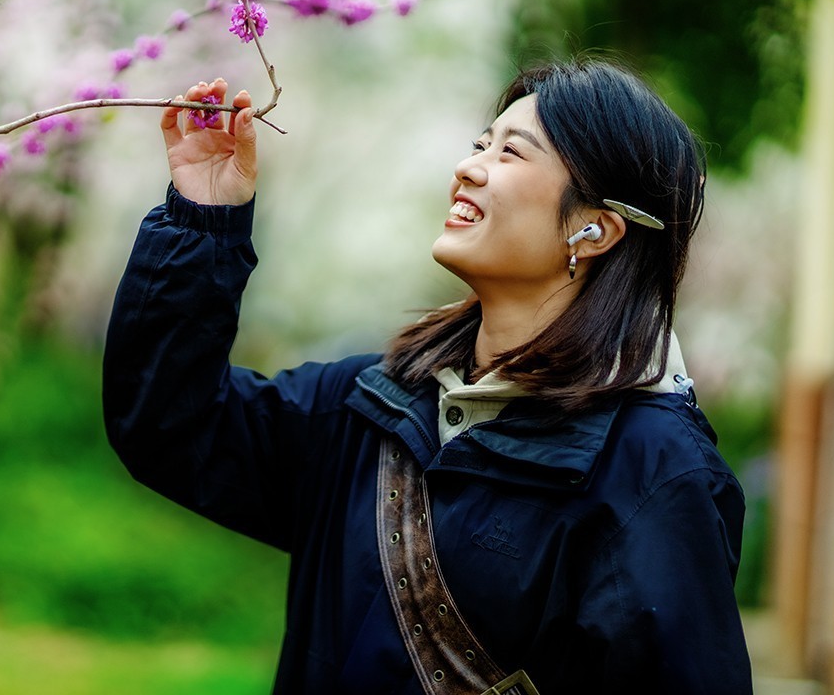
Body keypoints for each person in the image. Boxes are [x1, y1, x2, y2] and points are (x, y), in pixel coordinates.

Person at [102, 59, 752, 693]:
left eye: (511, 154)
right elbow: (170, 423)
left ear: (594, 229)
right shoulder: (372, 403)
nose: (467, 168)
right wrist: (203, 220)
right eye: (480, 144)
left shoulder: (655, 474)